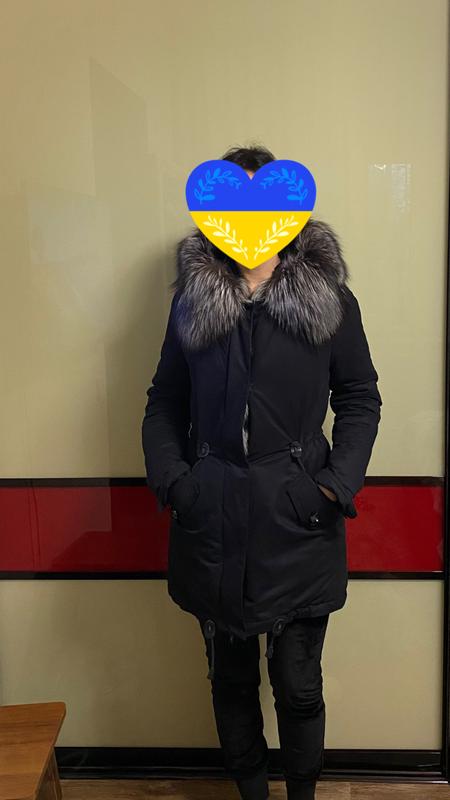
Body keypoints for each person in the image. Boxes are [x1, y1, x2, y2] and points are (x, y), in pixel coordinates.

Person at [141, 144, 382, 800]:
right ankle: (250, 791)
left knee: (299, 686)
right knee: (230, 683)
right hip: (212, 523)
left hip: (300, 522)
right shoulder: (192, 303)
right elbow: (165, 401)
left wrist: (333, 486)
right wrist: (177, 483)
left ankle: (301, 793)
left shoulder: (329, 301)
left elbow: (359, 396)